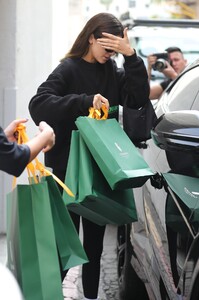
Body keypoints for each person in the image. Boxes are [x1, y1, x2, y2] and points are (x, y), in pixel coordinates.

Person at [28, 12, 149, 300]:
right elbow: (39, 104)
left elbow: (139, 99)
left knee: (95, 248)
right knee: (62, 246)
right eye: (107, 48)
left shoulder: (115, 73)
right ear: (91, 37)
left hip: (99, 172)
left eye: (115, 49)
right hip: (66, 172)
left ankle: (92, 296)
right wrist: (84, 102)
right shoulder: (68, 69)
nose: (110, 55)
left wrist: (131, 57)